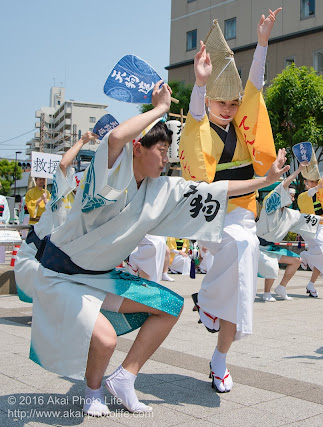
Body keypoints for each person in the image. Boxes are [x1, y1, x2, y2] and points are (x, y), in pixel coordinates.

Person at [24, 81, 290, 416]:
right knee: (106, 340)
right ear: (138, 148)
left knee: (170, 305)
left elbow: (214, 189)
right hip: (61, 276)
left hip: (100, 277)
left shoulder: (161, 190)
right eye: (161, 151)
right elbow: (116, 138)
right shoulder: (106, 173)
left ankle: (125, 378)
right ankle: (93, 391)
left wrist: (264, 182)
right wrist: (160, 109)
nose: (167, 159)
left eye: (169, 152)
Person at [180, 9, 280, 393]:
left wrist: (263, 43)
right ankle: (206, 298)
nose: (227, 108)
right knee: (241, 253)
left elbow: (254, 87)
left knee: (244, 277)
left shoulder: (242, 125)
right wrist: (201, 83)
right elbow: (194, 115)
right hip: (212, 220)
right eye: (218, 101)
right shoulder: (200, 125)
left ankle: (219, 359)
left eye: (232, 102)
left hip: (243, 221)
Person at [15, 131, 97, 303]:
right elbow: (63, 164)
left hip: (55, 254)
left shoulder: (82, 204)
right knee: (42, 295)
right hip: (37, 251)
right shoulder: (62, 194)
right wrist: (82, 141)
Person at [257, 167, 323, 301]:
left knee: (296, 260)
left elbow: (307, 217)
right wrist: (299, 170)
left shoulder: (289, 214)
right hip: (257, 246)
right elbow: (284, 184)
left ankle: (281, 287)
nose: (293, 200)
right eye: (291, 196)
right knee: (271, 266)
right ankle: (266, 293)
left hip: (271, 248)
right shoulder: (270, 204)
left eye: (293, 196)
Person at [297, 154, 323, 297]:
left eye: (314, 181)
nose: (313, 183)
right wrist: (316, 187)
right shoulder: (303, 196)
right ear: (307, 183)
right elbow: (311, 192)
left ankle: (311, 285)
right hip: (309, 229)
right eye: (310, 182)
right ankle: (305, 255)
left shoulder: (319, 192)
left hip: (319, 228)